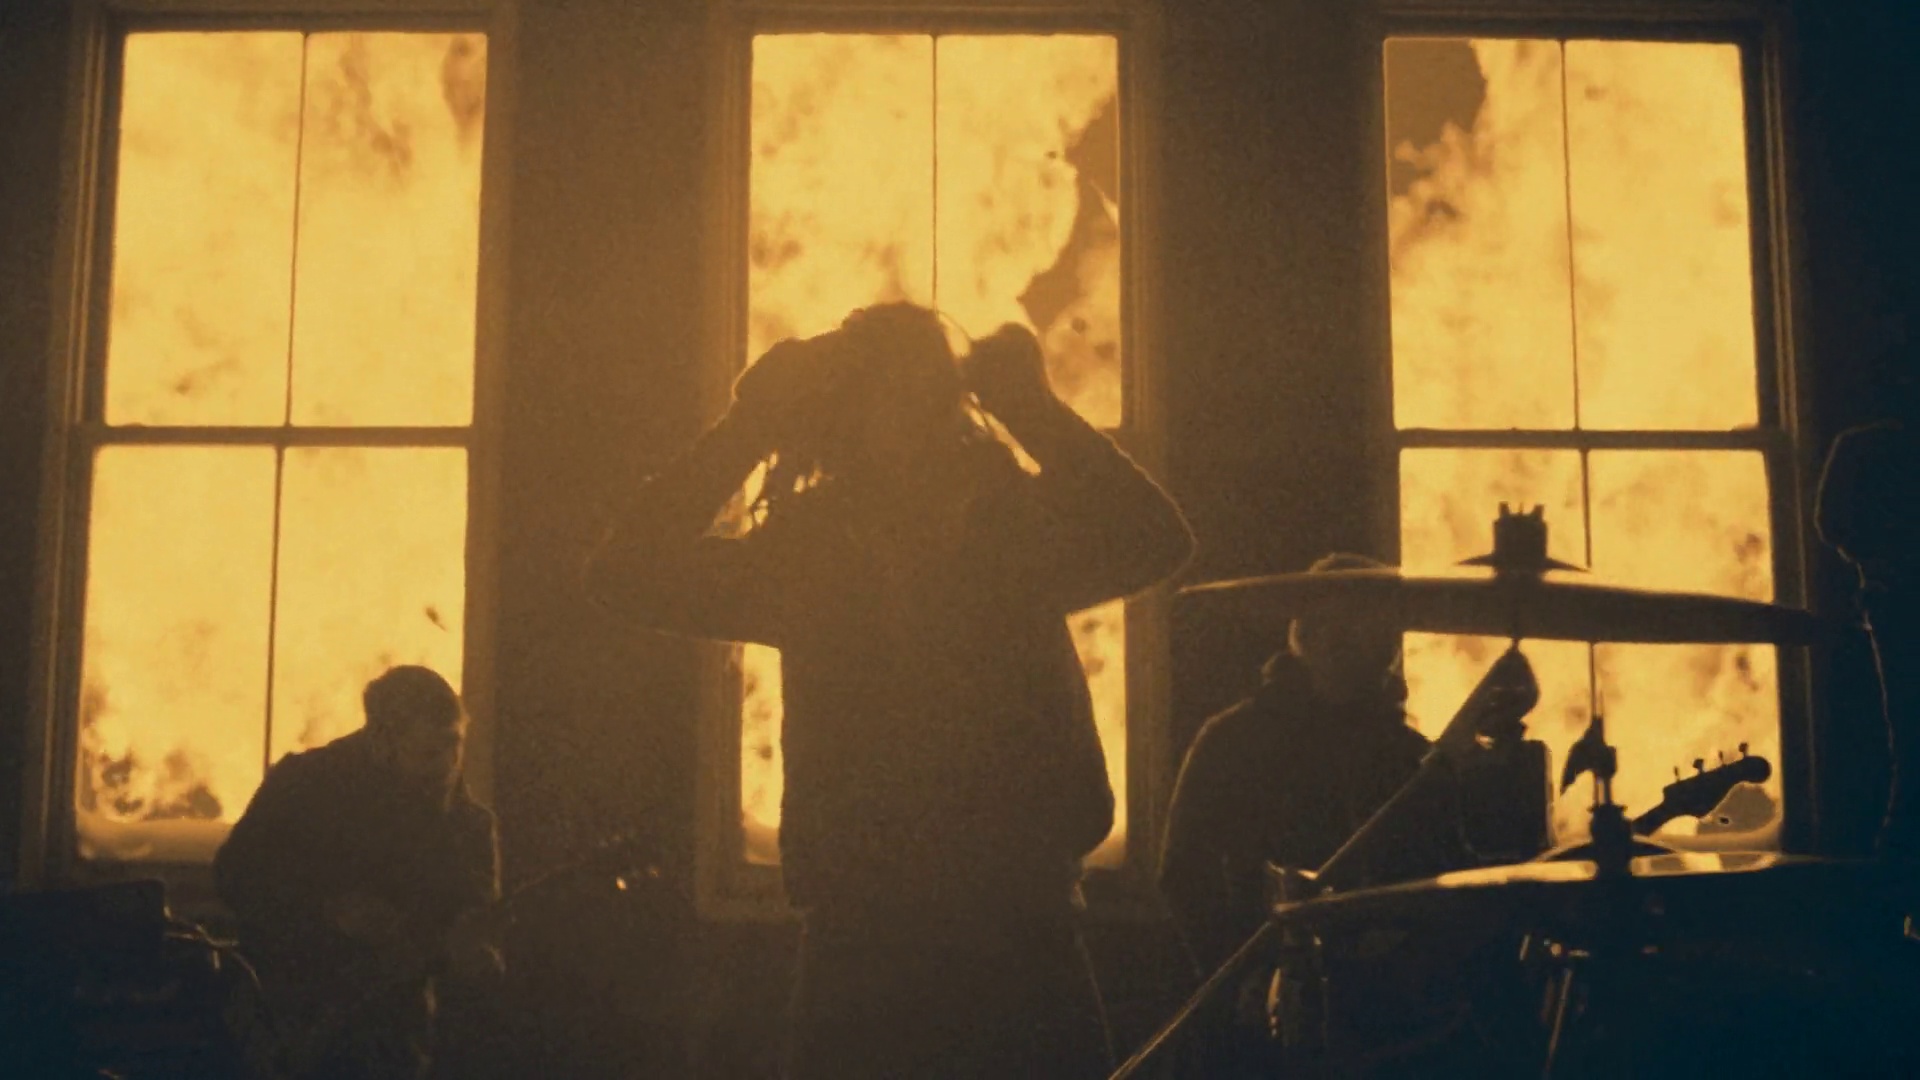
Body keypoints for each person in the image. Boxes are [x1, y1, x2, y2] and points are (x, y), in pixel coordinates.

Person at [584, 303, 1193, 1079]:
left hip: (981, 923)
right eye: (893, 392)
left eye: (921, 391)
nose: (910, 413)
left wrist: (754, 424)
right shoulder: (836, 551)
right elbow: (626, 574)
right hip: (912, 931)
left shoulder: (993, 534)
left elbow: (1157, 539)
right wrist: (749, 425)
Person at [1158, 554, 1448, 974]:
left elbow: (1439, 877)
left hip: (1390, 988)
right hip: (1268, 979)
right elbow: (1185, 874)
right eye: (1331, 622)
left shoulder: (1411, 756)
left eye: (1365, 623)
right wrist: (1242, 971)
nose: (1344, 637)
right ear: (1304, 633)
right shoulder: (1235, 741)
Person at [215, 665, 501, 1080]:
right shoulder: (301, 790)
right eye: (429, 753)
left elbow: (472, 925)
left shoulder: (468, 827)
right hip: (288, 1021)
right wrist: (327, 912)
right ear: (382, 741)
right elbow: (235, 876)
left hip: (392, 1039)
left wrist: (469, 953)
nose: (447, 766)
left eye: (454, 745)